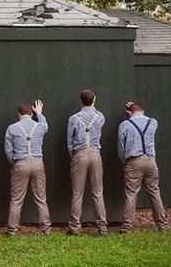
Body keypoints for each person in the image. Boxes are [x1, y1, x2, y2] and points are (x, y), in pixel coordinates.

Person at [118, 102, 169, 233]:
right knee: (154, 192)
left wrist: (125, 163)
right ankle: (162, 225)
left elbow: (121, 148)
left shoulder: (124, 125)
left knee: (131, 194)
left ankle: (127, 227)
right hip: (151, 161)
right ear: (143, 111)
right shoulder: (153, 122)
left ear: (129, 113)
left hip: (133, 162)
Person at [4, 100, 51, 236]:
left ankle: (12, 230)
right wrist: (40, 113)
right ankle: (46, 229)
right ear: (31, 113)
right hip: (38, 162)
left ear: (19, 113)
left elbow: (8, 150)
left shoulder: (12, 128)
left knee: (16, 200)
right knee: (41, 198)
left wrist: (15, 162)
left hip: (20, 163)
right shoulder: (40, 126)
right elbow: (45, 125)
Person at [66, 90, 107, 235]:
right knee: (97, 192)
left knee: (77, 193)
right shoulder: (100, 117)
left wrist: (75, 156)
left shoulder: (73, 119)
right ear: (94, 100)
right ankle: (102, 227)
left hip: (79, 155)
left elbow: (69, 143)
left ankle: (74, 227)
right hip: (95, 154)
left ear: (80, 100)